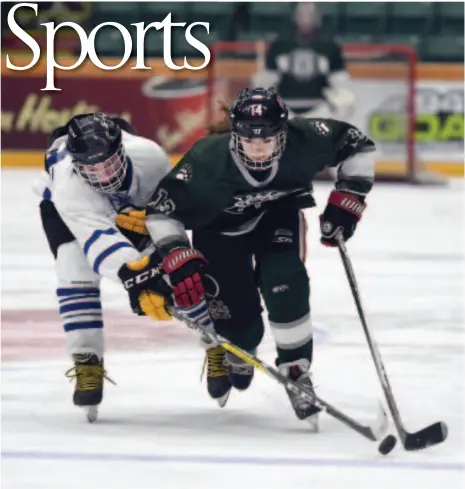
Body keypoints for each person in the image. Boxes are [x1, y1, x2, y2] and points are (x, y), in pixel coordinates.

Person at [115, 87, 375, 425]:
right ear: (234, 134)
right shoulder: (208, 158)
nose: (257, 145)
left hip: (277, 218)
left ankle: (296, 371)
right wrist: (176, 252)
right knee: (237, 322)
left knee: (286, 282)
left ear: (284, 132)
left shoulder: (306, 138)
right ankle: (237, 345)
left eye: (267, 137)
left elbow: (357, 145)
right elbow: (162, 212)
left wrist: (349, 198)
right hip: (218, 231)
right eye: (249, 138)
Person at [36, 112, 174, 422]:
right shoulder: (68, 187)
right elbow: (98, 239)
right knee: (74, 267)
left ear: (122, 151)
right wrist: (135, 274)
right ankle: (87, 360)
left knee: (176, 265)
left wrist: (156, 244)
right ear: (76, 164)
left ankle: (216, 339)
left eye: (108, 163)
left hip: (129, 207)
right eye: (91, 168)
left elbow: (174, 219)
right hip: (64, 212)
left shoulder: (150, 158)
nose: (103, 175)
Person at [253, 2, 355, 122]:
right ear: (295, 17)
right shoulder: (279, 46)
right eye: (303, 15)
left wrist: (340, 105)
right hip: (285, 110)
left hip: (320, 110)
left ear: (318, 17)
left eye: (310, 15)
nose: (306, 19)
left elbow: (341, 85)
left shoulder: (330, 47)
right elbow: (267, 82)